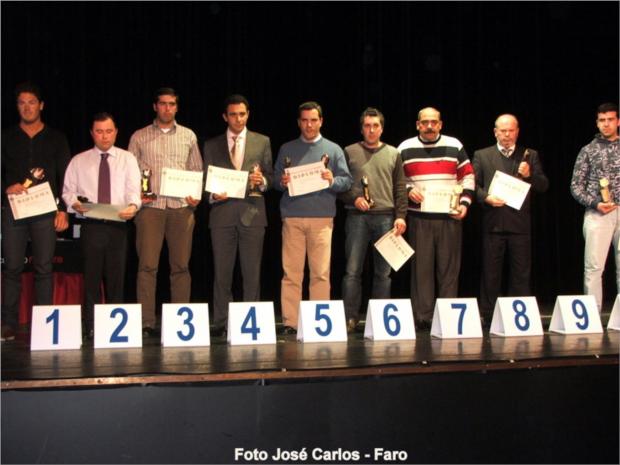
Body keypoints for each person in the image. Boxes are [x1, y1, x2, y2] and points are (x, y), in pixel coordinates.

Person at [128, 87, 203, 336]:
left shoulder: (188, 135)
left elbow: (196, 171)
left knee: (181, 267)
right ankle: (146, 323)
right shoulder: (139, 136)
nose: (167, 108)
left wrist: (195, 196)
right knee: (147, 266)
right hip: (150, 208)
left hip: (181, 208)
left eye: (171, 104)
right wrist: (135, 196)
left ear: (177, 107)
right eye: (162, 103)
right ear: (155, 106)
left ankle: (179, 323)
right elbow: (129, 173)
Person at [273, 101, 352, 334]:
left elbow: (347, 181)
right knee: (291, 273)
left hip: (322, 218)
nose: (309, 125)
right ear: (299, 122)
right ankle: (291, 322)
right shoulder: (287, 148)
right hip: (293, 217)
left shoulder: (334, 149)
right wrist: (282, 181)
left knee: (320, 273)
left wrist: (331, 179)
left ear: (321, 121)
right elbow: (276, 179)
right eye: (305, 120)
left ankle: (319, 323)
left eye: (313, 120)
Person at [1, 82, 71, 341]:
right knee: (12, 267)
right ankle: (7, 323)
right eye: (22, 103)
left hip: (45, 211)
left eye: (32, 102)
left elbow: (66, 177)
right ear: (17, 106)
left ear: (41, 105)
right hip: (14, 210)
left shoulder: (57, 138)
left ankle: (44, 324)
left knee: (44, 268)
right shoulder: (6, 137)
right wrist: (6, 188)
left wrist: (63, 210)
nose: (27, 107)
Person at [62, 113, 141, 337]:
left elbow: (134, 190)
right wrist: (75, 204)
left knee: (117, 278)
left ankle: (115, 328)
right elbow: (68, 191)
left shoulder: (127, 159)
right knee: (91, 278)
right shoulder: (79, 160)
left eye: (108, 131)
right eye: (99, 131)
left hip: (118, 224)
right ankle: (91, 326)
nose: (104, 136)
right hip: (91, 224)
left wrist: (133, 206)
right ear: (92, 133)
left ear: (116, 132)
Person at [398, 107, 475, 330]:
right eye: (425, 122)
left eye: (434, 122)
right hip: (419, 218)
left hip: (449, 217)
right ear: (417, 125)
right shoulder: (405, 147)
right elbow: (397, 180)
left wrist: (464, 203)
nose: (429, 126)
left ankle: (448, 316)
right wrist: (408, 190)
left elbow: (468, 176)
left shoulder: (454, 145)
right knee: (421, 270)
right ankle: (423, 317)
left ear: (440, 124)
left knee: (449, 270)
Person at [203, 95, 273, 337]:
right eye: (233, 114)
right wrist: (213, 195)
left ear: (248, 114)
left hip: (252, 214)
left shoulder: (262, 141)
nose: (238, 119)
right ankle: (222, 322)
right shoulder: (211, 145)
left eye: (242, 114)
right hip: (221, 215)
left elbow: (271, 176)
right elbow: (205, 181)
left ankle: (250, 322)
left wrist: (262, 181)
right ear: (225, 117)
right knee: (222, 274)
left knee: (252, 273)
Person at [472, 114, 549, 324]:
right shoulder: (482, 155)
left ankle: (519, 318)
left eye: (511, 130)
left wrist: (530, 175)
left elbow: (543, 186)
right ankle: (489, 316)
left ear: (517, 131)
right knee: (490, 273)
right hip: (493, 222)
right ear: (495, 132)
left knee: (521, 274)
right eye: (503, 130)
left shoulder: (529, 155)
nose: (507, 135)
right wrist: (486, 197)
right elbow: (472, 185)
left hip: (520, 225)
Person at [340, 107, 407, 333]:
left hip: (386, 218)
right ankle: (350, 318)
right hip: (356, 217)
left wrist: (401, 216)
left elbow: (400, 188)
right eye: (367, 126)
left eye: (375, 125)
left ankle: (379, 319)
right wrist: (354, 198)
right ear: (361, 129)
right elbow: (341, 185)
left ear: (382, 128)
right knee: (352, 271)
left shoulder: (393, 153)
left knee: (383, 274)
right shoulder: (349, 151)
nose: (371, 130)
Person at [570, 102, 620, 313]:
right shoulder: (588, 150)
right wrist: (595, 203)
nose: (606, 124)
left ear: (618, 121)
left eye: (610, 120)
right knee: (594, 267)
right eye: (602, 120)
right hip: (598, 214)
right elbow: (575, 186)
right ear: (597, 123)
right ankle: (592, 315)